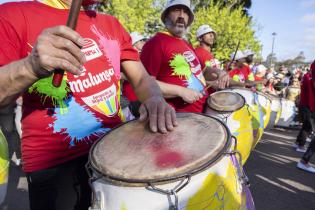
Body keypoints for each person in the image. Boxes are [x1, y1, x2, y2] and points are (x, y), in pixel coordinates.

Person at [0, 1, 177, 209]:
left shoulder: (111, 23)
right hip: (56, 166)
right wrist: (30, 66)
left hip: (115, 154)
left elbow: (141, 79)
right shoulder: (12, 14)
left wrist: (154, 98)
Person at [140, 0, 229, 113]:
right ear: (166, 15)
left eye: (186, 12)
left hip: (201, 112)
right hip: (178, 119)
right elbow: (144, 84)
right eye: (177, 10)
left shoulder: (186, 44)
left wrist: (219, 72)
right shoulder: (155, 43)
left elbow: (202, 70)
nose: (182, 16)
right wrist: (180, 91)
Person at [296, 60, 315, 173]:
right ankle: (303, 155)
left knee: (307, 127)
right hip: (307, 105)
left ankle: (300, 146)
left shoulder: (308, 76)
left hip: (308, 105)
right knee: (308, 127)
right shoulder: (308, 77)